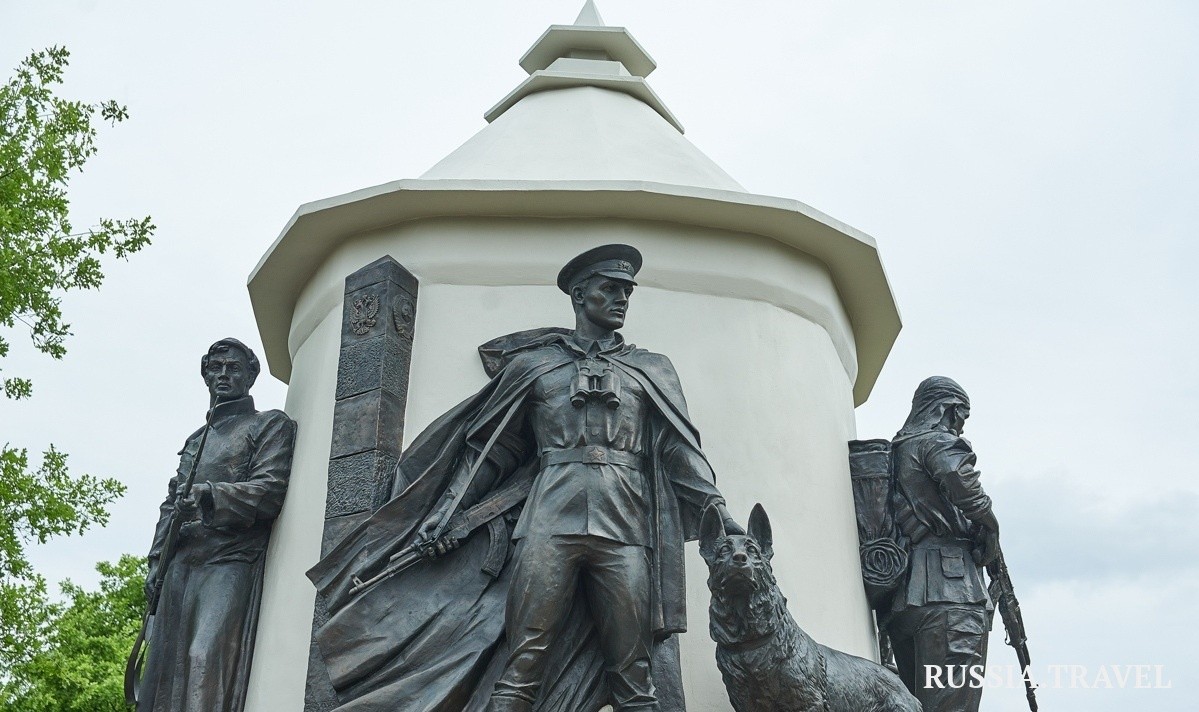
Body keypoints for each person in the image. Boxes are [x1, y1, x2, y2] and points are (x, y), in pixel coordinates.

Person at [308, 244, 741, 712]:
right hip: (547, 525)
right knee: (523, 663)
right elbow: (493, 452)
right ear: (579, 295)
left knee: (634, 673)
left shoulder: (651, 369)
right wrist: (447, 512)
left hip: (627, 530)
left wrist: (717, 509)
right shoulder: (534, 366)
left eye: (626, 292)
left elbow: (679, 450)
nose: (621, 299)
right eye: (609, 289)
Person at [138, 338, 297, 712]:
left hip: (228, 558)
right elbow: (171, 502)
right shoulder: (197, 439)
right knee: (159, 675)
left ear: (250, 376)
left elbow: (270, 489)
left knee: (203, 658)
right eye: (216, 367)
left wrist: (210, 495)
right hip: (179, 564)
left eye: (234, 368)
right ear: (206, 374)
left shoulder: (269, 424)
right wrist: (155, 560)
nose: (223, 374)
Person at [884, 376, 999, 712]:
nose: (960, 427)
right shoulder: (937, 442)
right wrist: (990, 525)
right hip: (952, 594)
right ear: (947, 409)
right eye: (961, 416)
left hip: (905, 599)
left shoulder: (897, 451)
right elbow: (956, 477)